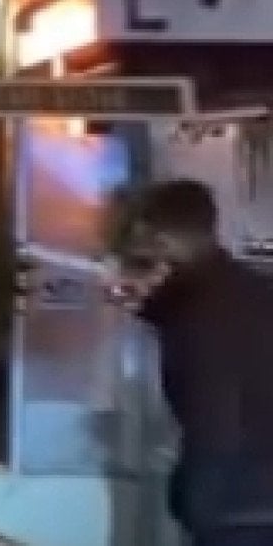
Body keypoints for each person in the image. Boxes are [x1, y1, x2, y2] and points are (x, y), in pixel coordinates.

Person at [125, 178, 273, 545]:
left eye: (144, 258)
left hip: (236, 509)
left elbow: (216, 423)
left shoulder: (197, 321)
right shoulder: (253, 292)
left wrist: (192, 502)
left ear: (163, 243)